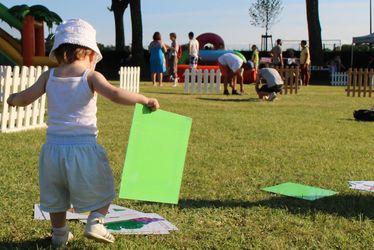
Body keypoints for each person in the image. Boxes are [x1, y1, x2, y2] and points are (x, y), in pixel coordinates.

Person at [6, 19, 160, 247]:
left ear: (58, 51)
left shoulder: (49, 76)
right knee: (104, 189)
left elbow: (26, 97)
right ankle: (96, 221)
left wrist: (12, 99)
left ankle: (59, 234)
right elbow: (116, 94)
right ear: (89, 52)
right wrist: (144, 99)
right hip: (84, 148)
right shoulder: (90, 77)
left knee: (56, 197)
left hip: (52, 151)